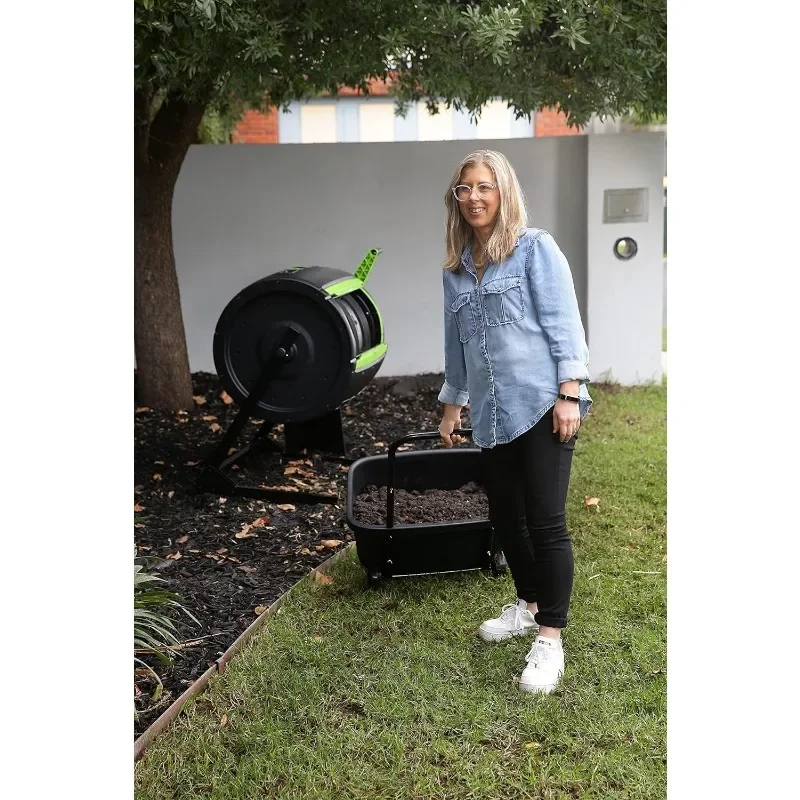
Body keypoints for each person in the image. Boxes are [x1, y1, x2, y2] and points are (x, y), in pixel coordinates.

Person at [437, 149, 592, 695]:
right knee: (506, 518)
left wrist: (569, 392)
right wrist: (452, 404)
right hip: (492, 413)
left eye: (485, 186)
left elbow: (564, 323)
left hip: (544, 403)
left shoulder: (534, 248)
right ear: (456, 199)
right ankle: (528, 605)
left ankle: (550, 639)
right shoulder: (456, 269)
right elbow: (456, 345)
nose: (474, 197)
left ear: (503, 192)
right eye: (465, 188)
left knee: (545, 520)